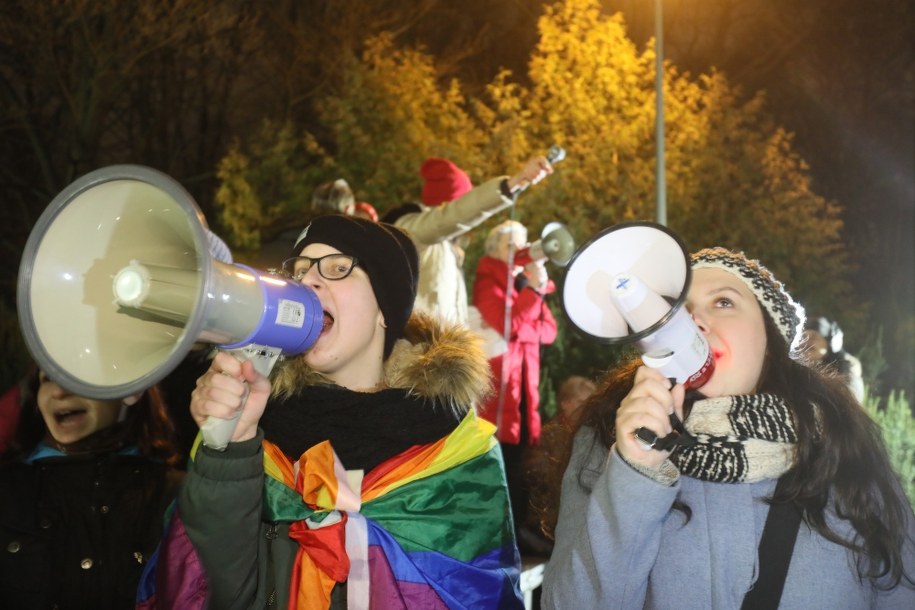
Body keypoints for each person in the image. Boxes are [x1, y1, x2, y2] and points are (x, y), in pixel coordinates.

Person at [141, 215, 524, 609]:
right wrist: (229, 450)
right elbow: (213, 589)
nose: (308, 282)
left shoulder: (456, 451)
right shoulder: (259, 425)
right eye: (300, 271)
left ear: (385, 308)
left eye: (339, 269)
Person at [542, 247, 915, 608]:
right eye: (680, 311)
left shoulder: (841, 447)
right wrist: (634, 474)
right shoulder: (612, 439)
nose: (696, 322)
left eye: (723, 302)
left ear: (771, 341)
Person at [0, 368, 182, 609]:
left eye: (78, 376)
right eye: (47, 379)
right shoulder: (9, 489)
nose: (58, 391)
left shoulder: (176, 493)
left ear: (130, 391)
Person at [382, 155, 553, 325]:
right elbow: (451, 217)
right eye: (465, 201)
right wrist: (513, 183)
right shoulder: (413, 232)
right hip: (414, 351)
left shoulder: (446, 248)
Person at [472, 220, 558, 553]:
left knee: (520, 462)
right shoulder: (487, 281)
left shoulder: (520, 284)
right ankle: (500, 538)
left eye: (522, 245)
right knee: (500, 463)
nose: (519, 252)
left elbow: (548, 331)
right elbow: (510, 324)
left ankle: (518, 531)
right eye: (510, 246)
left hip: (523, 388)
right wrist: (533, 293)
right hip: (499, 392)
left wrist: (528, 300)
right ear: (493, 250)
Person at [520, 375, 597, 557]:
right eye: (580, 401)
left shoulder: (592, 435)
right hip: (548, 520)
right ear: (565, 403)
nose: (586, 408)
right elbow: (533, 470)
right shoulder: (549, 434)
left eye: (589, 403)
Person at [799, 315, 865, 401]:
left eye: (813, 338)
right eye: (803, 337)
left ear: (830, 346)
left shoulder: (848, 382)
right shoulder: (794, 372)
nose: (806, 342)